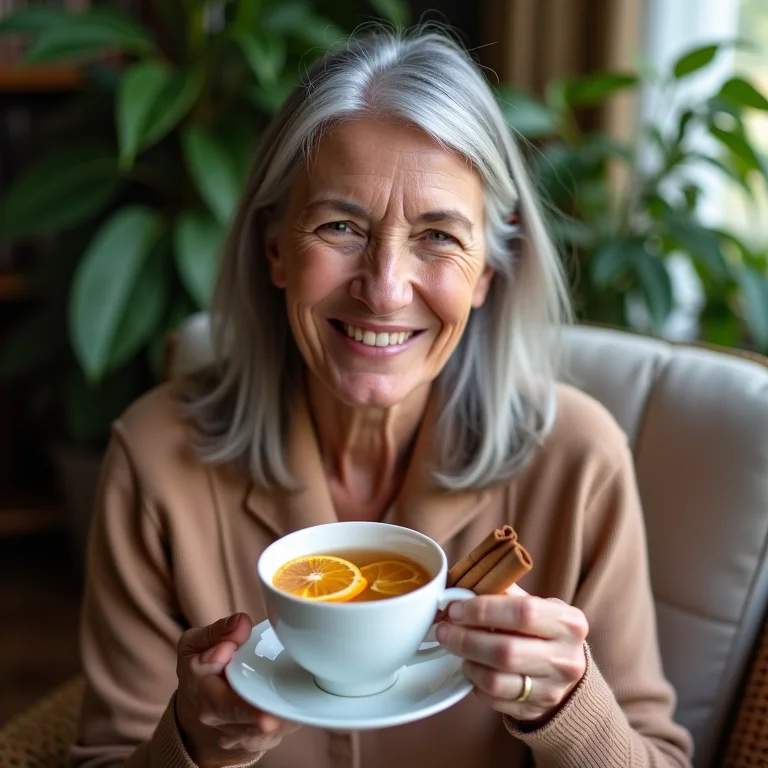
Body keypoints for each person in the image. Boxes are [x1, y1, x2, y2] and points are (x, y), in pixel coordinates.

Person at [69, 27, 694, 768]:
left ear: (488, 271)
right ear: (274, 247)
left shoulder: (580, 462)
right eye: (340, 226)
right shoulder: (154, 458)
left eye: (437, 236)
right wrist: (193, 745)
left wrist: (567, 707)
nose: (386, 289)